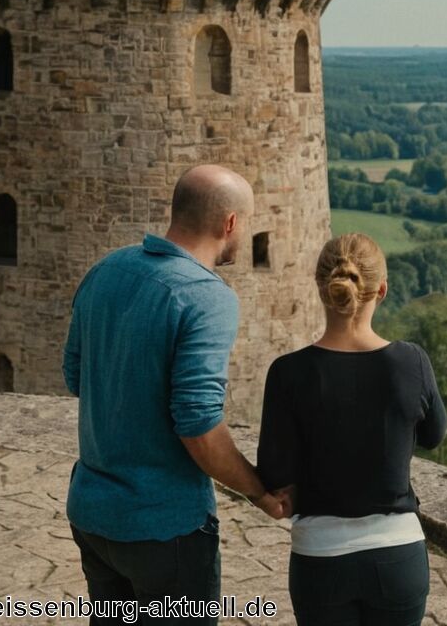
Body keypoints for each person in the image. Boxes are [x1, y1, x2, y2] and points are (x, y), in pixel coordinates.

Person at [63, 165, 285, 624]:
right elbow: (199, 424)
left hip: (93, 512)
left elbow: (74, 376)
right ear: (229, 224)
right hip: (164, 527)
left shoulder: (105, 270)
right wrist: (258, 491)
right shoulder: (206, 297)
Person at [257, 232, 447, 626]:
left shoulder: (288, 372)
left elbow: (274, 473)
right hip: (398, 554)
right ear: (382, 290)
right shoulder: (411, 362)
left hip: (320, 557)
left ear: (320, 287)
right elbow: (434, 435)